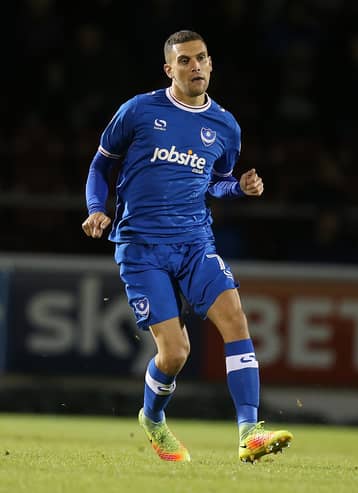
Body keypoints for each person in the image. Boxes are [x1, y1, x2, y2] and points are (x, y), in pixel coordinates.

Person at [81, 30, 293, 463]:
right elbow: (101, 163)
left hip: (196, 242)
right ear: (169, 69)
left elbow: (216, 181)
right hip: (142, 247)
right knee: (175, 353)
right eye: (184, 61)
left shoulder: (225, 126)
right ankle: (153, 419)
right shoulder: (138, 111)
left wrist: (242, 187)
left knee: (235, 319)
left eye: (200, 59)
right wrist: (95, 208)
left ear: (211, 64)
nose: (194, 67)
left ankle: (250, 432)